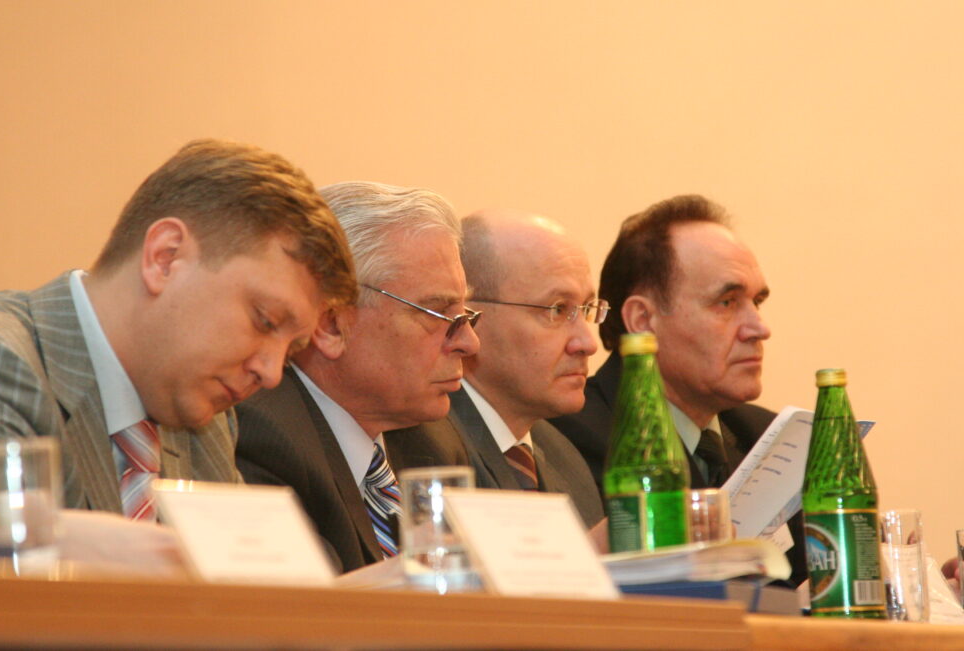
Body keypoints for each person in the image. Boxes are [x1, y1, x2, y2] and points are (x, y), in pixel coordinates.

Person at [0, 139, 356, 519]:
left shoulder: (206, 421)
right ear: (166, 257)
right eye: (265, 321)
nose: (270, 374)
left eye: (290, 351)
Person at [549, 195, 806, 583]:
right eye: (727, 302)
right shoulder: (568, 439)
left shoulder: (774, 440)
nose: (759, 328)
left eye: (757, 301)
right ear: (643, 320)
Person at [235, 182, 480, 573]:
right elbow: (314, 601)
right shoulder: (262, 438)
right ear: (330, 325)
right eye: (438, 315)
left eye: (466, 317)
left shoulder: (435, 443)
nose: (469, 342)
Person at [454, 210, 605, 529]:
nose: (587, 343)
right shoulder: (429, 449)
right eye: (557, 309)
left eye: (587, 309)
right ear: (469, 316)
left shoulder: (564, 456)